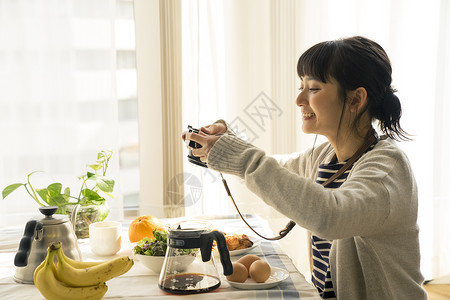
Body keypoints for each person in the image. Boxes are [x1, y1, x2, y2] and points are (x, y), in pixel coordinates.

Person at [183, 36, 426, 299]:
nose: (299, 99)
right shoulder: (326, 156)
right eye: (301, 86)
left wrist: (239, 156)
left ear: (356, 99)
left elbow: (332, 216)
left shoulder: (387, 169)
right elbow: (277, 174)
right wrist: (227, 143)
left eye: (313, 88)